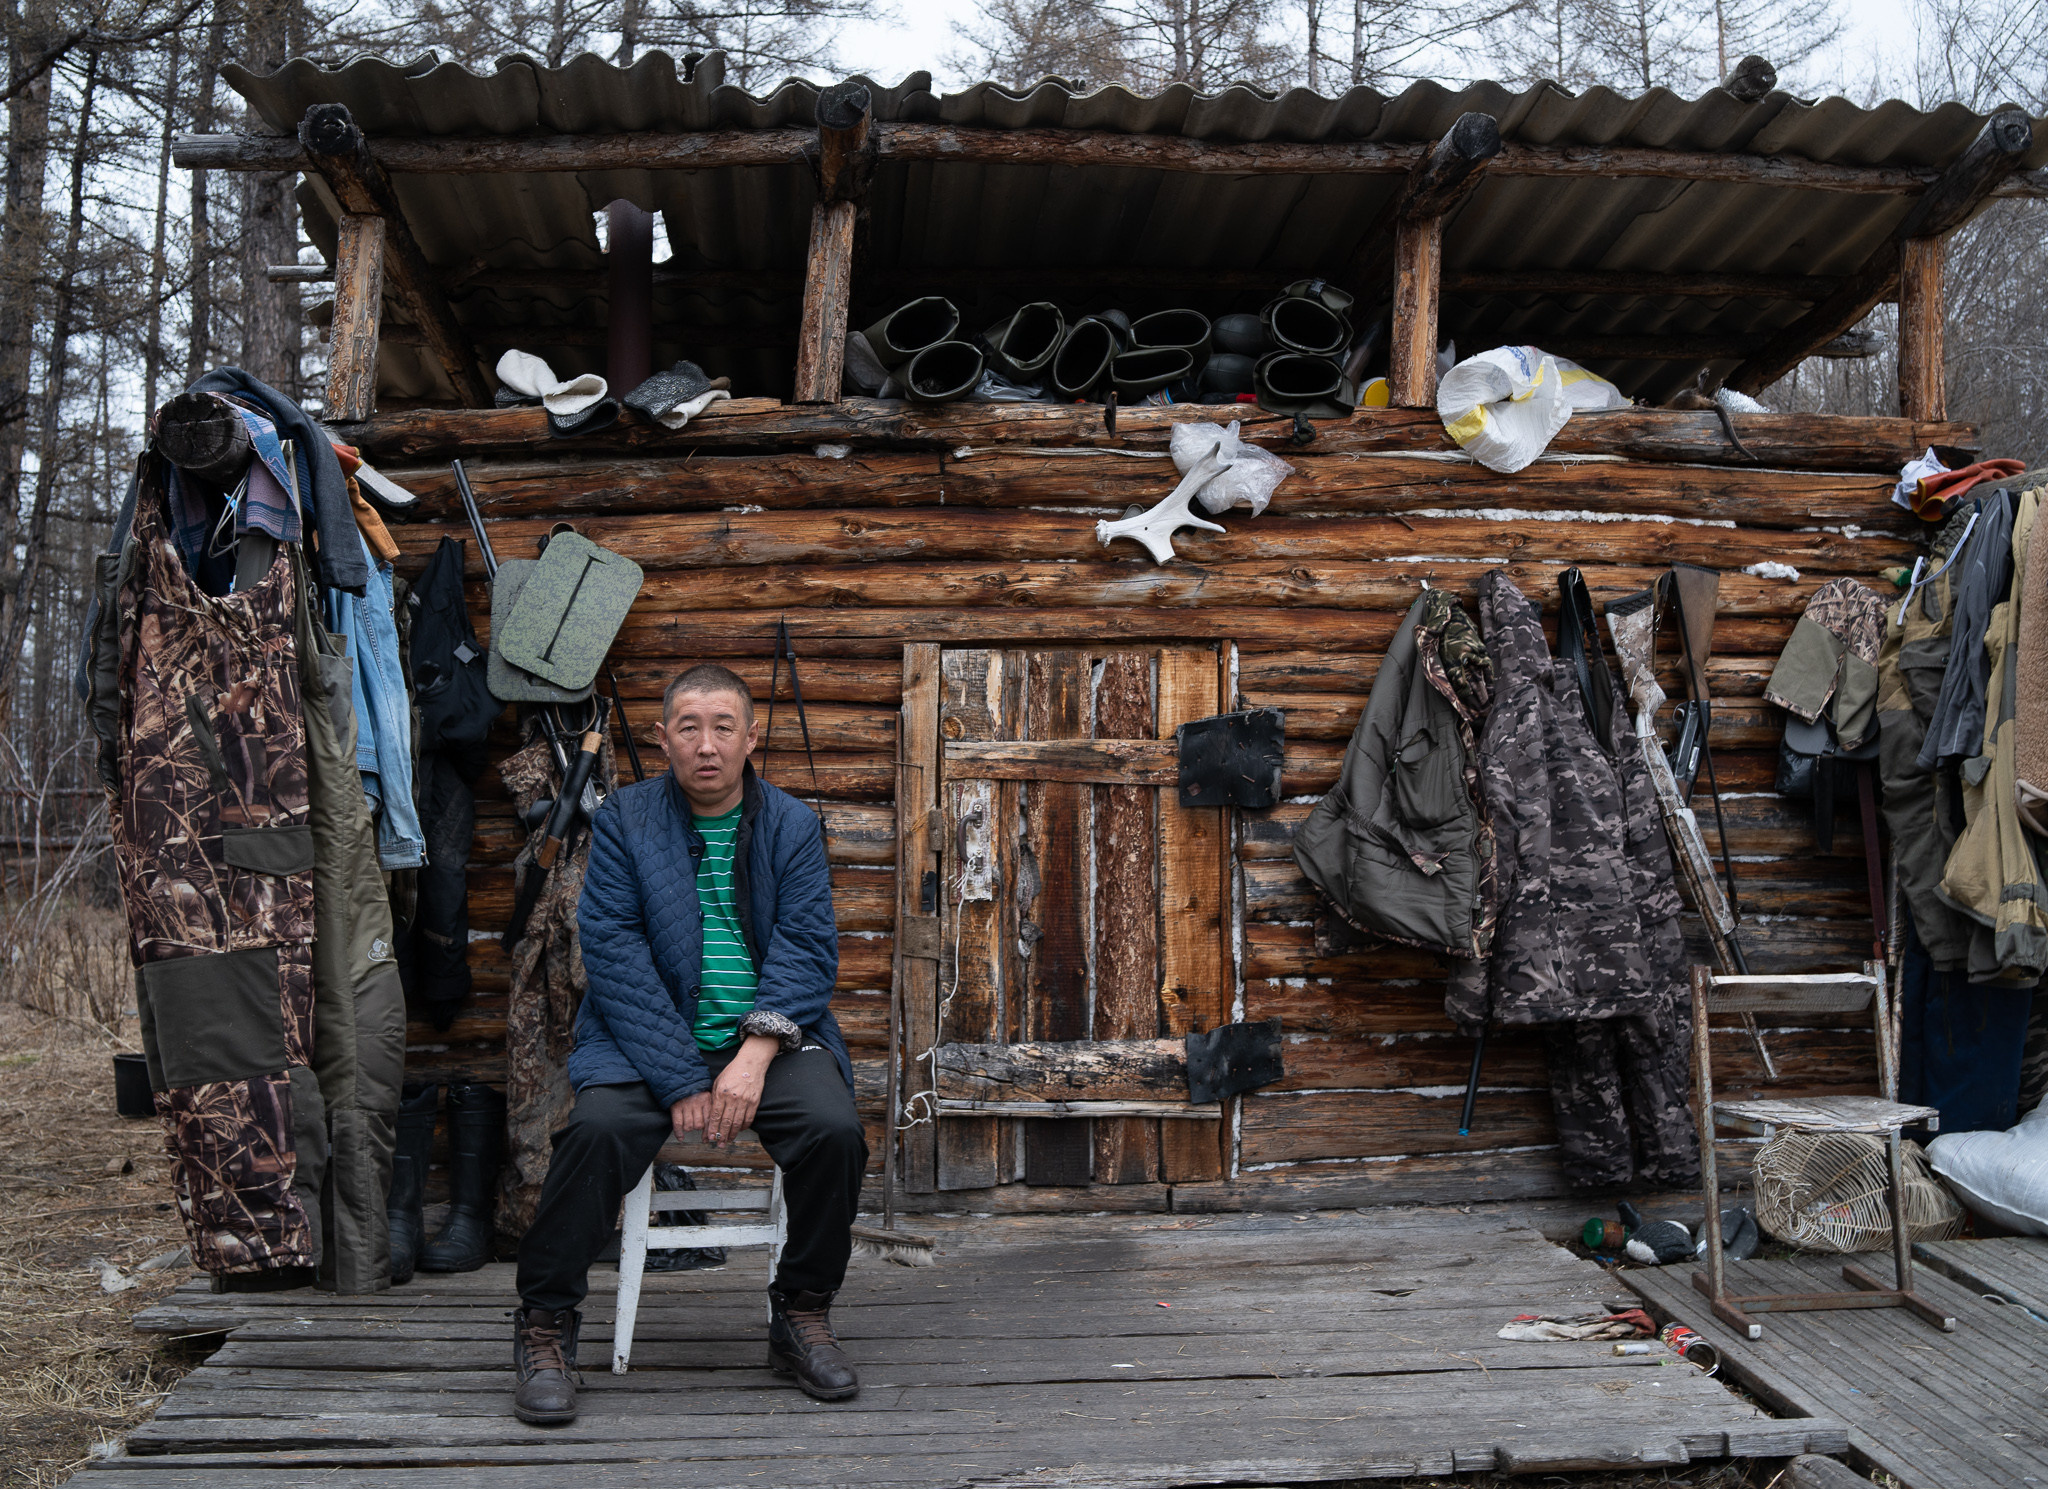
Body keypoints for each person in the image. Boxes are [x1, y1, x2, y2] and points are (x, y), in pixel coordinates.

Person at [510, 664, 866, 1425]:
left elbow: (807, 948)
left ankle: (801, 1312)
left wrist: (756, 1051)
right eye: (690, 727)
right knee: (598, 1131)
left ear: (751, 736)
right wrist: (679, 1078)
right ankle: (545, 1325)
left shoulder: (791, 824)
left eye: (724, 726)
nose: (707, 745)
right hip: (647, 1039)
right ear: (663, 736)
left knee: (833, 1130)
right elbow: (610, 950)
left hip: (769, 1037)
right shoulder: (625, 821)